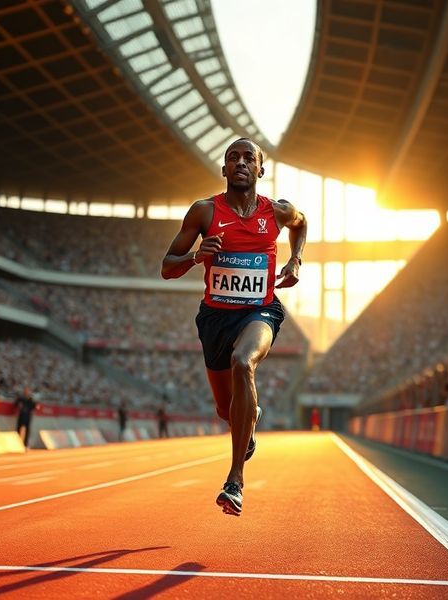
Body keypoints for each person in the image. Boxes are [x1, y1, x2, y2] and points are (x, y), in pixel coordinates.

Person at [161, 138, 306, 516]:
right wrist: (196, 256)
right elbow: (166, 267)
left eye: (248, 158)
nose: (240, 163)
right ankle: (249, 419)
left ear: (260, 170)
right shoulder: (204, 212)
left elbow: (301, 223)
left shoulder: (276, 212)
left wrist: (296, 260)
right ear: (224, 170)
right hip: (214, 318)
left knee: (244, 362)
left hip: (260, 311)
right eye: (232, 158)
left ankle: (235, 480)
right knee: (227, 410)